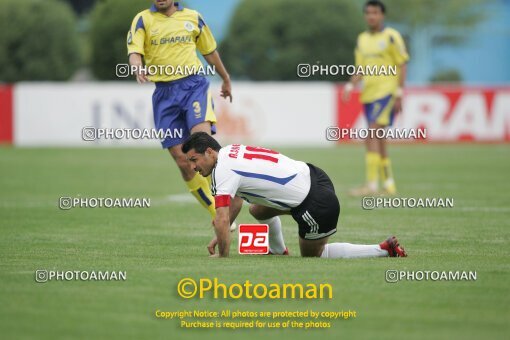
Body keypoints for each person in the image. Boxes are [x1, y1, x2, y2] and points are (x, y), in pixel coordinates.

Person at [182, 132, 408, 259]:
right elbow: (237, 201)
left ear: (210, 152)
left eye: (194, 160)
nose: (193, 167)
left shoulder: (222, 170)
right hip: (313, 175)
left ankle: (383, 249)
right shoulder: (229, 151)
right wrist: (221, 233)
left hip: (315, 203)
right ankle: (278, 250)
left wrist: (222, 255)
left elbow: (221, 218)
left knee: (314, 257)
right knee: (257, 209)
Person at [127, 0, 232, 221]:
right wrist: (137, 67)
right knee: (183, 160)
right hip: (164, 94)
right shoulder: (142, 19)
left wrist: (225, 78)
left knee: (202, 144)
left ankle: (229, 202)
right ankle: (217, 213)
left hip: (193, 86)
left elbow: (209, 51)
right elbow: (134, 51)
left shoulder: (193, 17)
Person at [343, 0, 409, 196]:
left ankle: (371, 185)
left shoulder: (391, 37)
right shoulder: (362, 39)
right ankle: (388, 184)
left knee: (372, 132)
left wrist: (399, 93)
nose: (372, 16)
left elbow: (402, 64)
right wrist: (349, 85)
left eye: (375, 13)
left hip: (386, 91)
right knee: (378, 138)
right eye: (368, 13)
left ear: (382, 16)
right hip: (369, 94)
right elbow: (360, 68)